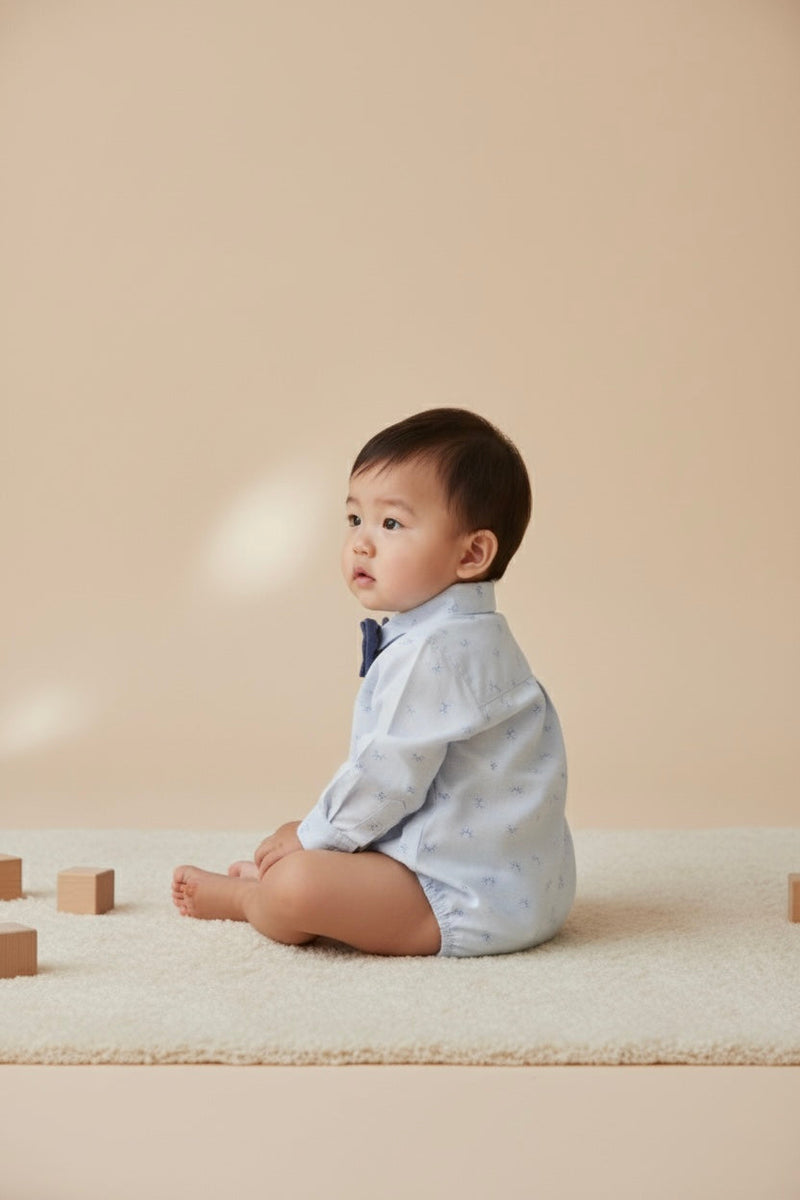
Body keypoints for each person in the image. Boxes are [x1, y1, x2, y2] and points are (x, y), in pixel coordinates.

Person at [172, 408, 576, 957]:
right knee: (318, 864)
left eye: (391, 524)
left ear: (472, 553)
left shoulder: (433, 653)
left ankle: (248, 899)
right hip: (526, 892)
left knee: (298, 885)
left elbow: (387, 777)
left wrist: (311, 835)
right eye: (354, 519)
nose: (362, 543)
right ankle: (303, 885)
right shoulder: (479, 636)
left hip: (458, 898)